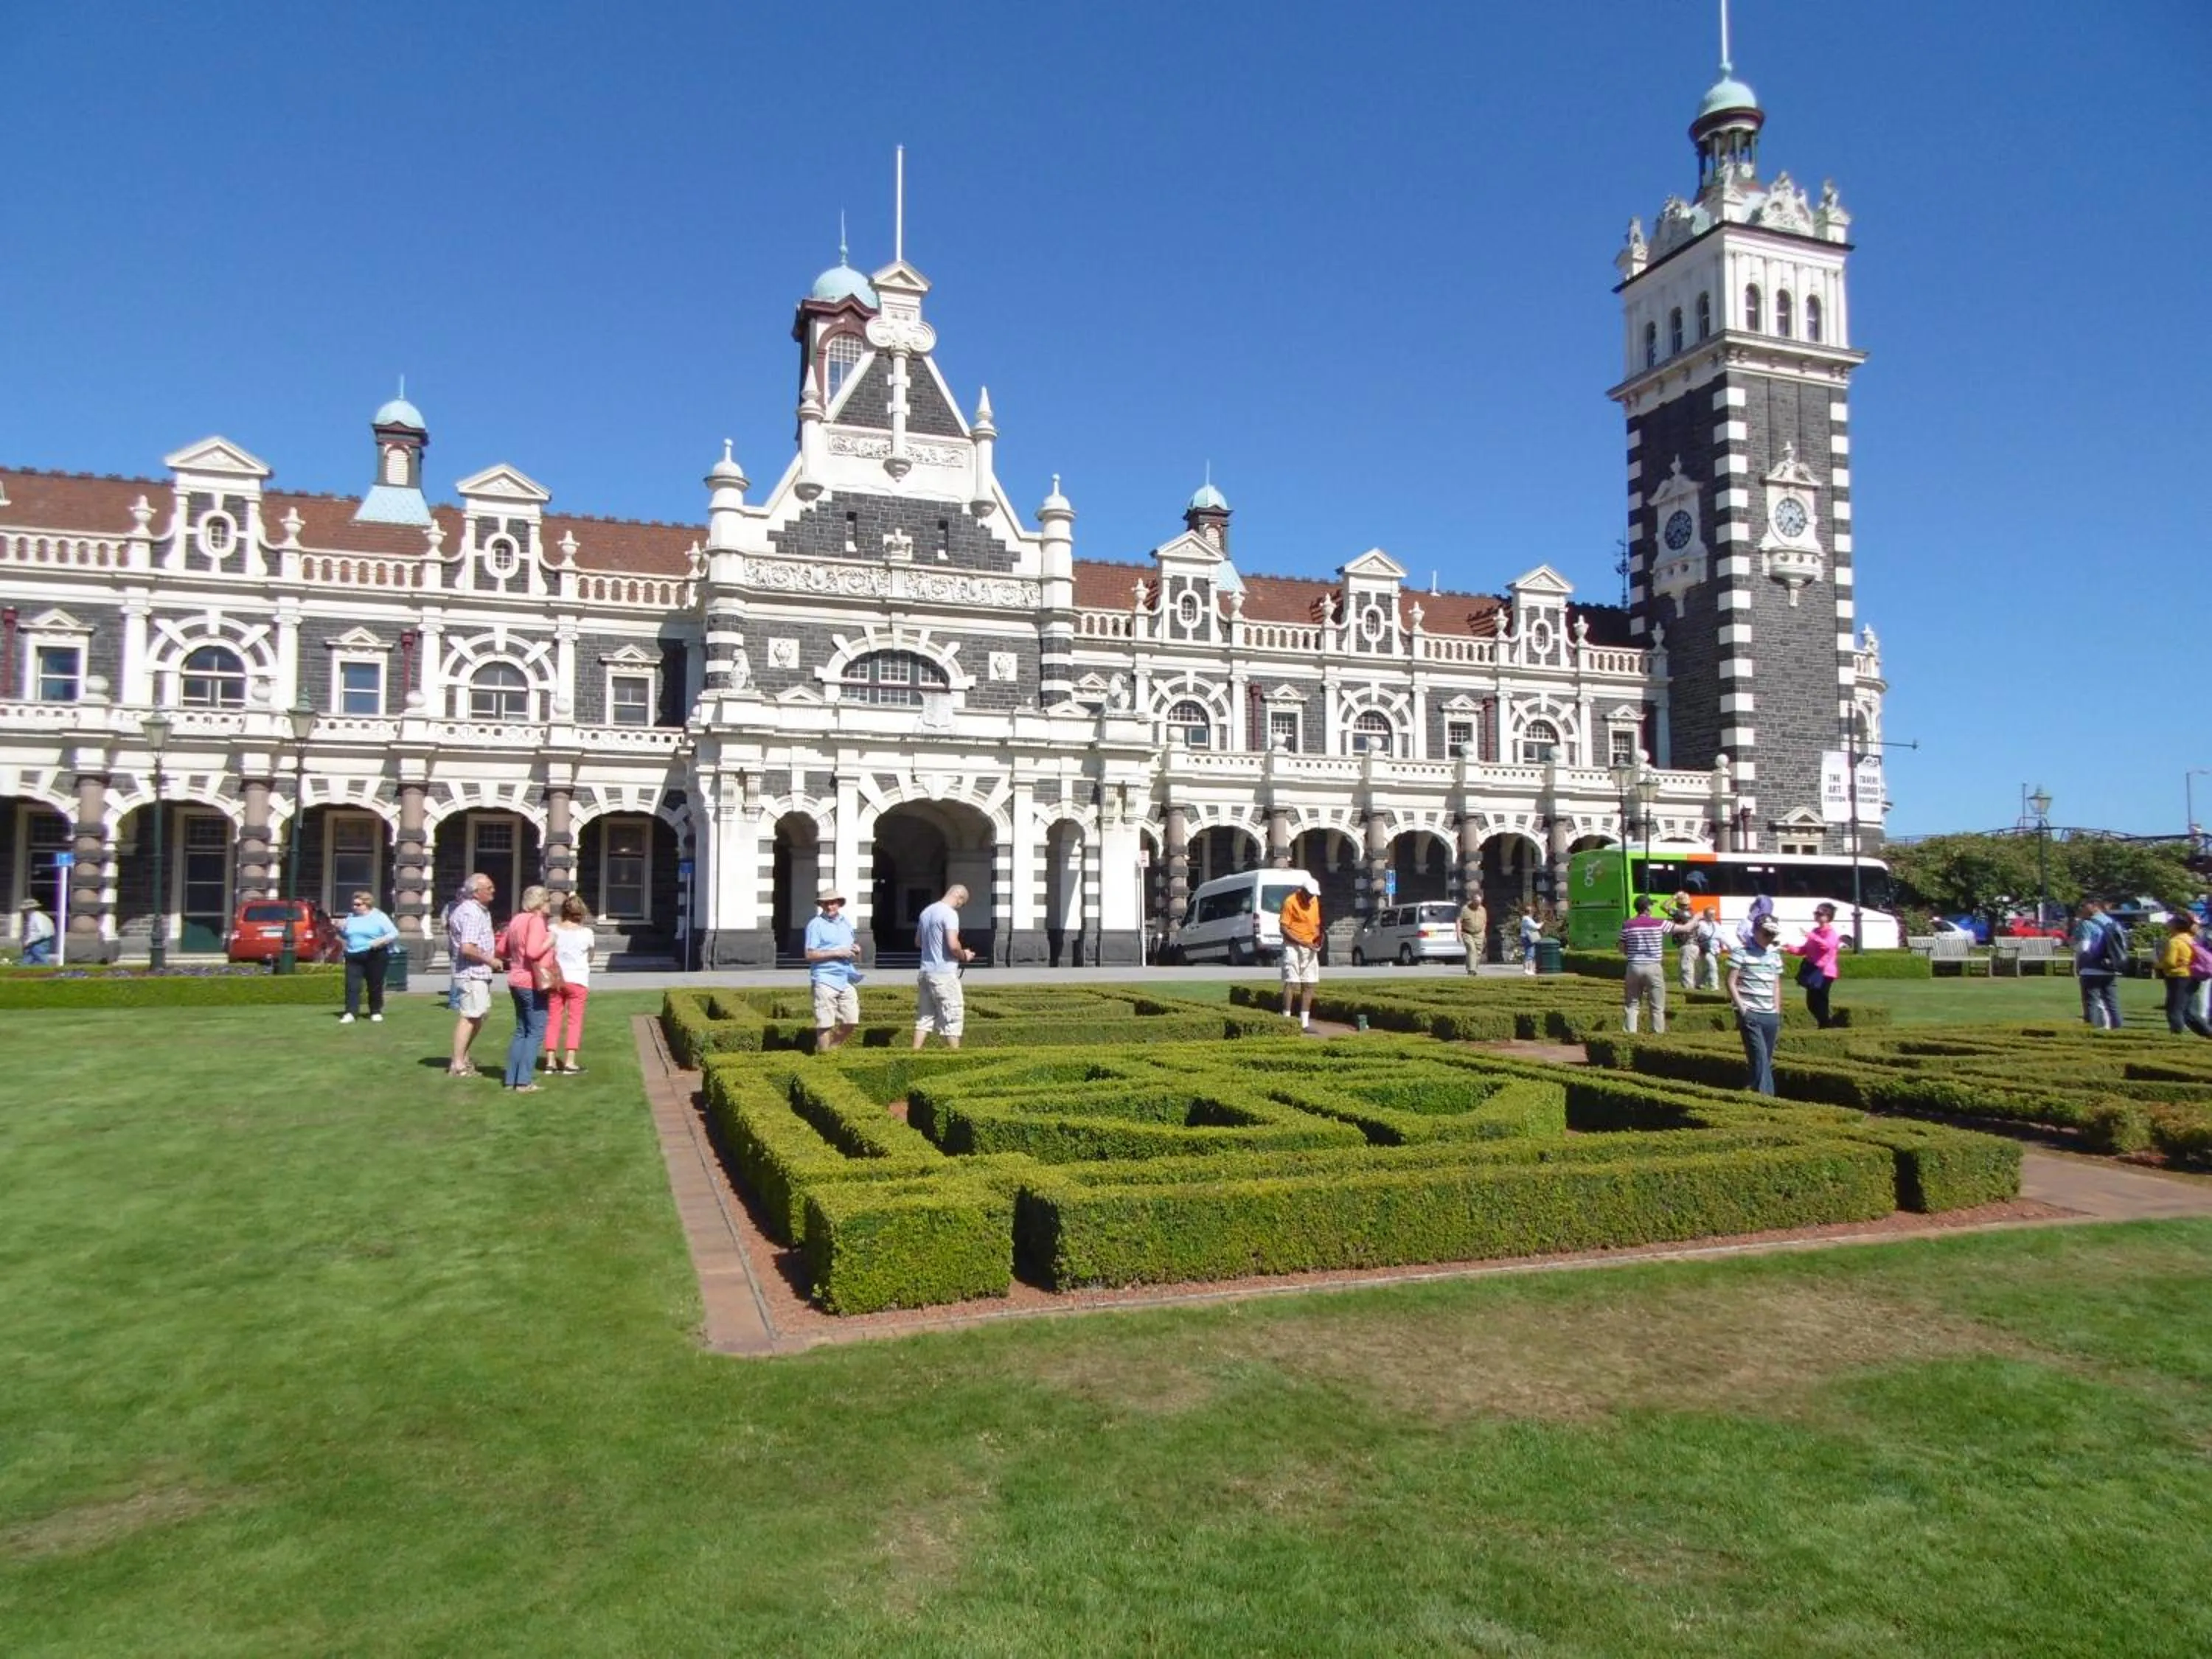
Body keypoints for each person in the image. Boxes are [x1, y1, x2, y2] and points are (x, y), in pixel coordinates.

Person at [499, 885, 555, 1092]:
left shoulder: (516, 919)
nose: (551, 905)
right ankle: (524, 1081)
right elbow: (533, 952)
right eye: (548, 900)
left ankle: (511, 1079)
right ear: (540, 902)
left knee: (521, 1031)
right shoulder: (536, 921)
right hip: (532, 982)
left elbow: (501, 949)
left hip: (515, 980)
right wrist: (550, 941)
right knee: (535, 1032)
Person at [445, 873, 501, 1077]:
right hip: (471, 973)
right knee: (470, 1016)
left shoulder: (479, 911)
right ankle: (458, 1064)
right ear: (476, 893)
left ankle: (464, 1057)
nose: (493, 891)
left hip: (478, 973)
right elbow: (467, 948)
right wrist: (490, 960)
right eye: (489, 888)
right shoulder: (471, 913)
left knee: (479, 1014)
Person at [1728, 913, 1787, 1095]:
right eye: (1767, 933)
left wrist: (1777, 1009)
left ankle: (1752, 1091)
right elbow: (1730, 981)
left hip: (1770, 1014)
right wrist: (1743, 1008)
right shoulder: (1741, 952)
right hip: (1751, 1012)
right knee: (1760, 1057)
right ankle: (1767, 1098)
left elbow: (1776, 983)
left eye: (1773, 935)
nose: (1770, 938)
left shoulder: (1774, 955)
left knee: (1763, 1060)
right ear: (1755, 931)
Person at [914, 883, 975, 1050]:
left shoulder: (926, 912)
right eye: (961, 904)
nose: (959, 907)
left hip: (925, 971)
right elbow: (954, 946)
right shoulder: (950, 914)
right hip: (944, 974)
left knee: (924, 1018)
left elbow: (918, 942)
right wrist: (965, 955)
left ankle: (914, 1054)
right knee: (952, 1017)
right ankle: (956, 1057)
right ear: (959, 897)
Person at [804, 886, 861, 1053]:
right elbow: (809, 954)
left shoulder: (846, 923)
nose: (830, 907)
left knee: (851, 1021)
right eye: (826, 904)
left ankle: (831, 1050)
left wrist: (856, 950)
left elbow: (851, 950)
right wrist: (836, 952)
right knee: (825, 1023)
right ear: (821, 905)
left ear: (839, 904)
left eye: (833, 903)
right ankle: (825, 1058)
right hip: (825, 978)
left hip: (846, 977)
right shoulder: (815, 925)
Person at [543, 895, 596, 1073]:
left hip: (556, 979)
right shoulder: (587, 933)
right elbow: (590, 956)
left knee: (553, 1019)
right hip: (578, 979)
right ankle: (569, 1061)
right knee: (575, 1020)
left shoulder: (552, 929)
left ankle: (550, 1061)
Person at [338, 889, 399, 1024]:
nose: (354, 907)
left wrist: (381, 940)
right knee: (352, 985)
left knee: (374, 985)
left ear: (367, 904)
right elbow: (347, 936)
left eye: (358, 904)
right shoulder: (350, 917)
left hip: (375, 954)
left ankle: (375, 1011)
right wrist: (340, 929)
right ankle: (350, 1012)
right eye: (353, 904)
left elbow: (393, 932)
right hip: (353, 955)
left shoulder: (379, 917)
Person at [1784, 902, 1844, 1029]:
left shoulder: (1831, 933)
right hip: (1813, 969)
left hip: (1825, 971)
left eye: (1819, 913)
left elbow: (1827, 946)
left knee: (1821, 1000)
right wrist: (1791, 948)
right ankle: (1826, 1024)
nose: (1816, 915)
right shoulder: (1815, 931)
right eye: (1815, 913)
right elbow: (1805, 949)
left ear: (1827, 917)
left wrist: (1812, 936)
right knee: (1811, 1003)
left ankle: (1826, 1026)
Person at [1618, 897, 1674, 1032]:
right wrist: (1697, 918)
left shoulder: (1628, 924)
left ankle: (1630, 1035)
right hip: (1653, 966)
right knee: (1657, 1006)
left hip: (1634, 967)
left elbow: (1621, 948)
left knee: (1632, 1004)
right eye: (1651, 906)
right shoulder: (1658, 923)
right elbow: (1684, 928)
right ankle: (1658, 1035)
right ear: (1647, 908)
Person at [2073, 898, 2127, 1030]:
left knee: (2092, 1001)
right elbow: (2123, 945)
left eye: (2084, 906)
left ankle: (2093, 1028)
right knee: (2112, 1002)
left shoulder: (2087, 924)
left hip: (2091, 968)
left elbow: (2084, 947)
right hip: (2111, 967)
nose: (2081, 909)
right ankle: (2117, 1028)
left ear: (2094, 906)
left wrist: (2074, 946)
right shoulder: (2113, 923)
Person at [1279, 876, 1324, 1029]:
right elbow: (1284, 928)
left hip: (1310, 946)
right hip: (1292, 947)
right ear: (1302, 891)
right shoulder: (1290, 902)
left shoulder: (1314, 901)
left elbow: (1316, 924)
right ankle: (1286, 1019)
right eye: (1309, 894)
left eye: (1313, 895)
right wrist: (1301, 942)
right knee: (1291, 982)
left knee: (1309, 983)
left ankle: (1304, 1022)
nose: (1311, 897)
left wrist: (1317, 940)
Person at [2157, 914, 2212, 1037]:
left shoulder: (2175, 941)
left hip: (2178, 977)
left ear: (2176, 926)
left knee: (2174, 1009)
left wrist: (2157, 965)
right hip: (2192, 976)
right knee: (2189, 1011)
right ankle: (2207, 1033)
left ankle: (2177, 1034)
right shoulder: (2190, 939)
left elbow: (2170, 962)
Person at [17, 896, 55, 965]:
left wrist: (29, 941)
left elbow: (41, 933)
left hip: (39, 942)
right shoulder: (35, 917)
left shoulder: (37, 917)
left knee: (41, 958)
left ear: (28, 909)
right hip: (36, 941)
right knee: (27, 960)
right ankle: (21, 973)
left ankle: (48, 973)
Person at [1455, 894, 1487, 974]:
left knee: (1478, 952)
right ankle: (1472, 970)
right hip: (1467, 933)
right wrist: (1458, 935)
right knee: (1472, 950)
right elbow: (1459, 921)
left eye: (1479, 903)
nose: (1478, 905)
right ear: (1472, 901)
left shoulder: (1482, 910)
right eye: (1476, 903)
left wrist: (1483, 932)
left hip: (1479, 933)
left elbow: (1484, 922)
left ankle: (1472, 967)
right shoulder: (1465, 909)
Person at [1518, 908, 1543, 975]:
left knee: (1529, 953)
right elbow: (1535, 927)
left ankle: (1530, 969)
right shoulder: (1527, 919)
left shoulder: (1525, 919)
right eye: (1533, 913)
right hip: (1528, 938)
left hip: (1526, 937)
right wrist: (1541, 924)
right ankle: (1527, 969)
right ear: (1530, 913)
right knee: (1530, 953)